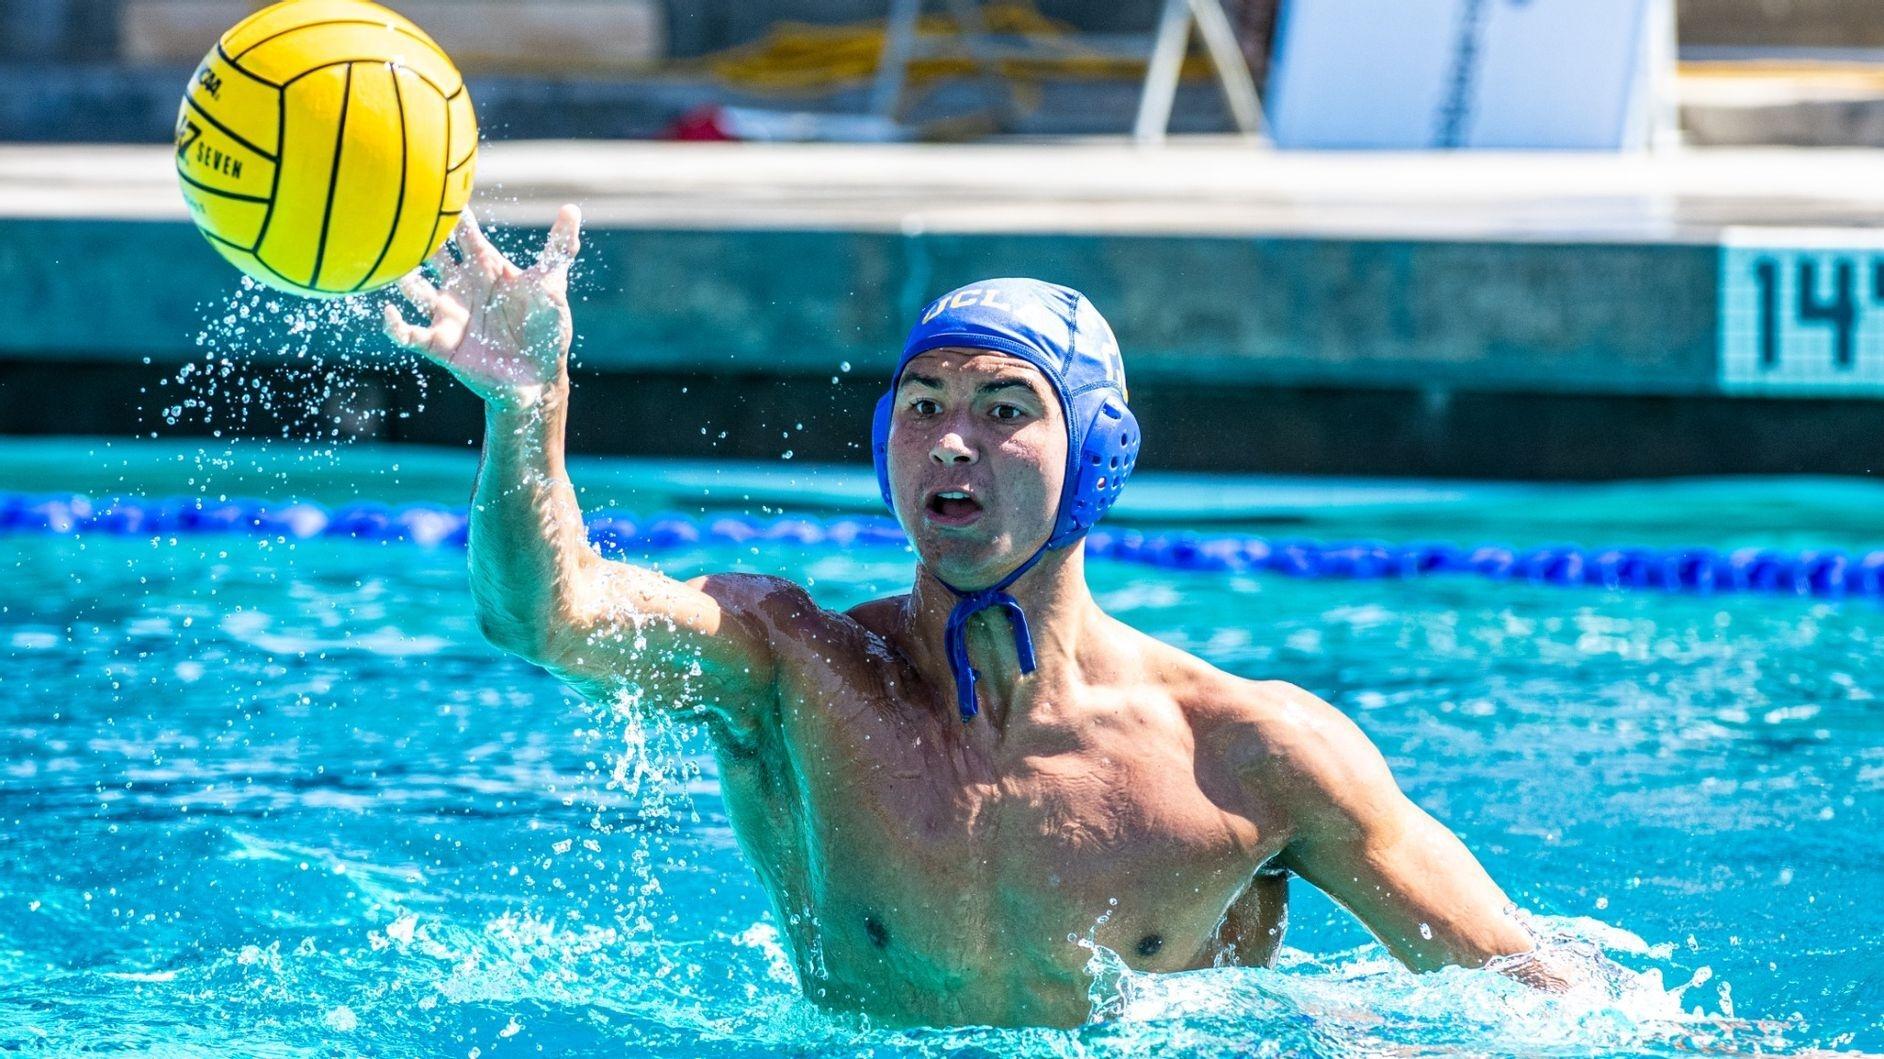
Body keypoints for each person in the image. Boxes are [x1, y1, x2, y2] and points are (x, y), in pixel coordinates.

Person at [385, 205, 1566, 1029]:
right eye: (923, 405)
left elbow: (1536, 1002)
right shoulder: (793, 670)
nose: (953, 438)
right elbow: (548, 617)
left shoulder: (1251, 756)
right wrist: (527, 410)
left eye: (1006, 408)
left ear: (1097, 454)